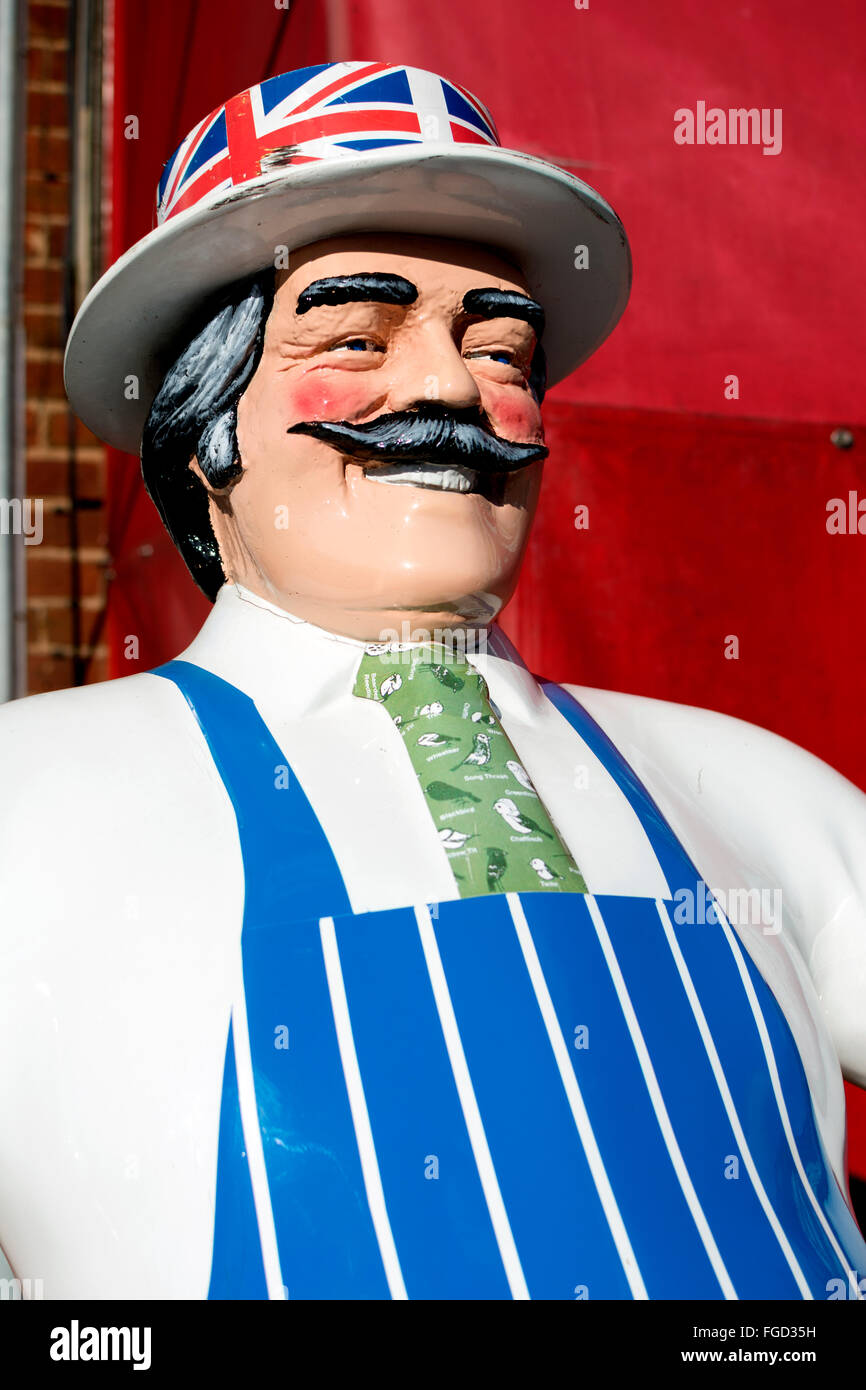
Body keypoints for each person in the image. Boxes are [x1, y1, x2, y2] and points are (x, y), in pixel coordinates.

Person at [1, 61, 865, 1301]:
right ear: (202, 427)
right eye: (355, 337)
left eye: (501, 349)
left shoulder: (746, 787)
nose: (453, 389)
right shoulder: (28, 801)